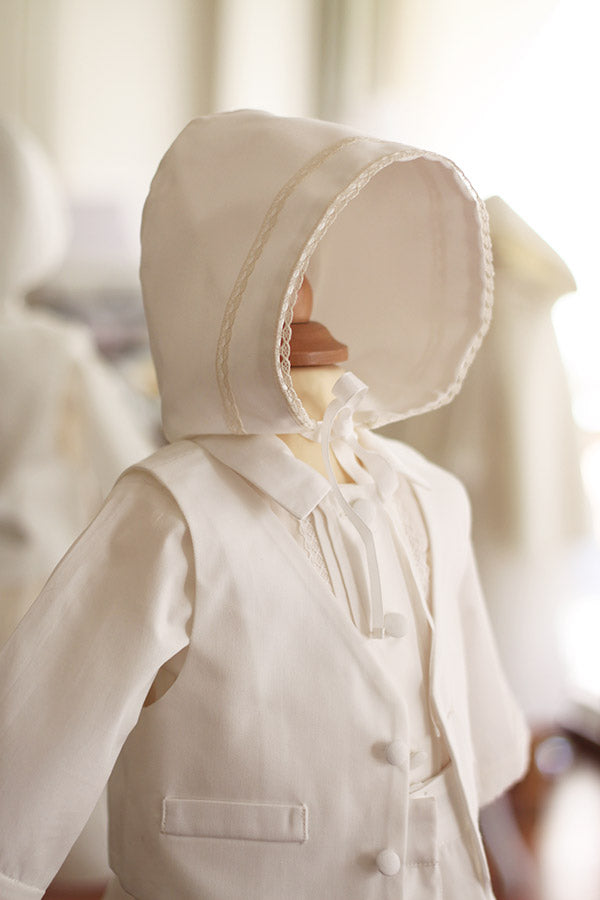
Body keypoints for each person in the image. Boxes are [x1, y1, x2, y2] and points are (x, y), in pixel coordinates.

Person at [0, 110, 528, 900]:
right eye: (283, 264)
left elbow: (473, 743)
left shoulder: (431, 498)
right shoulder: (170, 515)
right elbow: (29, 757)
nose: (303, 289)